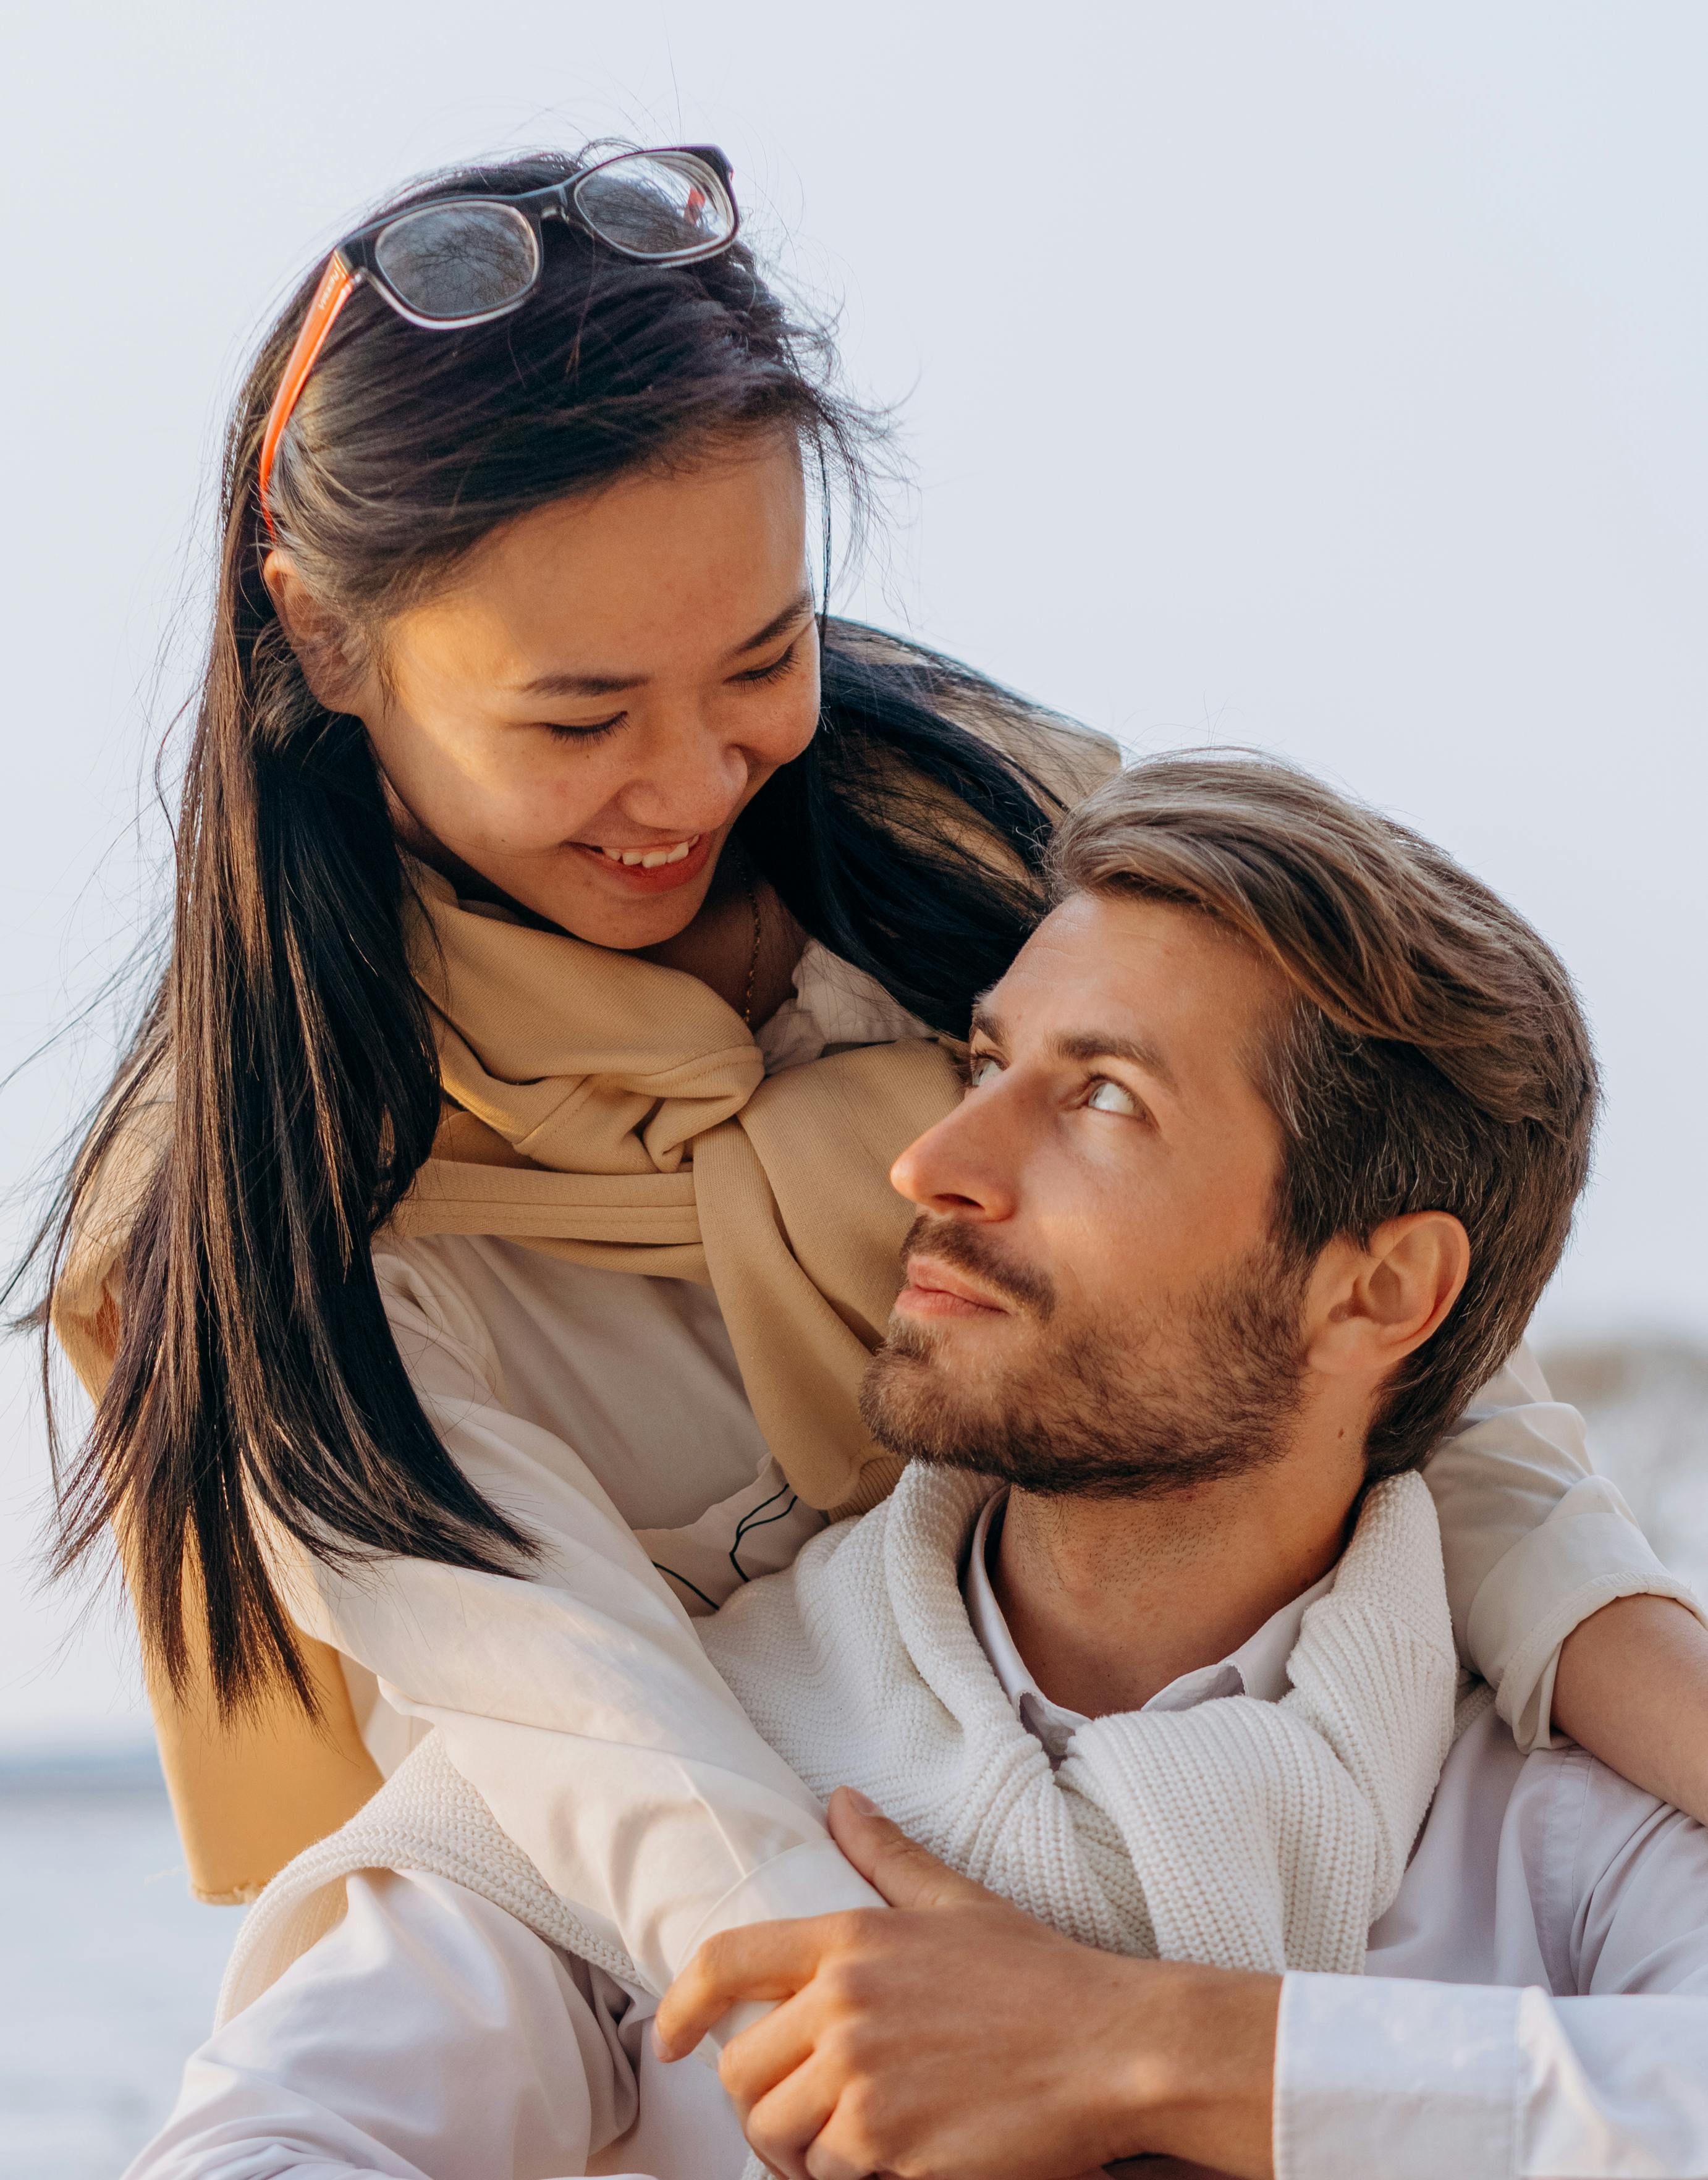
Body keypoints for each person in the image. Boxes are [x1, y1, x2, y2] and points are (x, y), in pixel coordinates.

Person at [32, 142, 1708, 2000]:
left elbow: (1376, 1321)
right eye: (579, 718)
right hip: (688, 1993)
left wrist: (1651, 1688)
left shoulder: (1014, 842)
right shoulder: (275, 1215)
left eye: (763, 657)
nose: (687, 786)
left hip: (1295, 1821)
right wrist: (1034, 2055)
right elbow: (614, 1763)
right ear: (324, 638)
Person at [130, 759, 1708, 2180]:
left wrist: (1143, 2049)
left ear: (1378, 1289)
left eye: (1100, 1099)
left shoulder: (1555, 1838)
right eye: (982, 1062)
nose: (931, 1165)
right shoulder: (662, 1780)